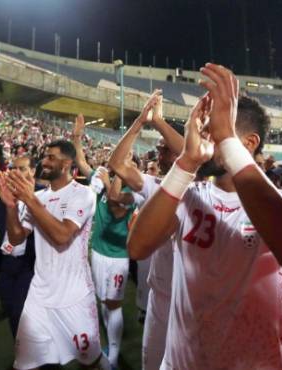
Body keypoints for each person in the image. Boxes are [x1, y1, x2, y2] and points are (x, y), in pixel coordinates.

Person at [129, 63, 282, 370]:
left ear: (247, 143)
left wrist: (226, 141)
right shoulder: (190, 193)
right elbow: (137, 248)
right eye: (205, 129)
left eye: (213, 132)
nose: (205, 138)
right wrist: (187, 161)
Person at [0, 140, 110, 370]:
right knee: (24, 365)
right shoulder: (38, 198)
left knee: (91, 362)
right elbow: (17, 237)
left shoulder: (83, 195)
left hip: (75, 295)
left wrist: (28, 199)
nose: (44, 161)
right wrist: (11, 207)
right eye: (44, 156)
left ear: (67, 162)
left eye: (50, 157)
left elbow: (62, 236)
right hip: (39, 295)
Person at [108, 90, 183, 370]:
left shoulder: (201, 190)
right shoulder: (154, 186)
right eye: (160, 148)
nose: (159, 152)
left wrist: (160, 122)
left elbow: (195, 155)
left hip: (196, 298)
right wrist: (140, 122)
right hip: (161, 297)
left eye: (166, 148)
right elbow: (116, 165)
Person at [73, 114, 140, 369]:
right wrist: (77, 137)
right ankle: (107, 349)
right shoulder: (102, 179)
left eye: (126, 159)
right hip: (98, 251)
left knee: (113, 305)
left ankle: (113, 355)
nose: (119, 160)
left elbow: (115, 208)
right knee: (102, 301)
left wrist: (111, 179)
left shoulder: (132, 192)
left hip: (117, 257)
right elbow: (80, 161)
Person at [0, 156, 43, 337]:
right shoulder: (3, 194)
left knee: (22, 312)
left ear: (32, 171)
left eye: (21, 168)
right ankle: (22, 354)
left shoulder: (45, 196)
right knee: (12, 311)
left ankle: (34, 355)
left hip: (30, 264)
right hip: (5, 262)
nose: (15, 173)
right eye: (13, 168)